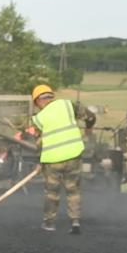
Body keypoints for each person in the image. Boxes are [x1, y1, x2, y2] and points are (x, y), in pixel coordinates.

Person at [30, 84, 87, 234]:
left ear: (38, 101)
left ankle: (49, 223)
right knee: (73, 190)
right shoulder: (68, 105)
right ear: (51, 96)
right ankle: (75, 222)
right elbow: (90, 116)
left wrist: (38, 163)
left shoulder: (39, 118)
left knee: (52, 193)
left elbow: (39, 143)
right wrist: (89, 129)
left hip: (52, 160)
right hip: (73, 155)